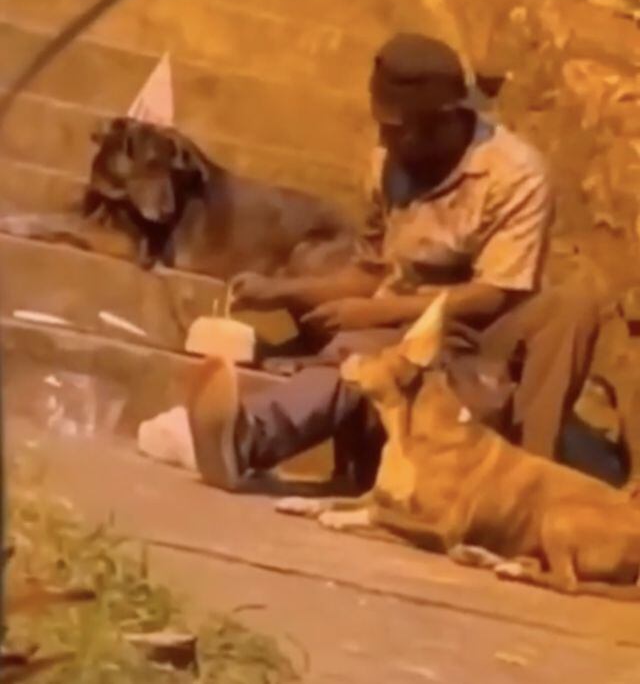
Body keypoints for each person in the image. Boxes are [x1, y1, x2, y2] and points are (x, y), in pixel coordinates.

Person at [188, 33, 603, 493]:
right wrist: (279, 291)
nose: (384, 139)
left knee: (573, 305)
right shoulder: (387, 163)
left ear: (444, 121)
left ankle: (526, 485)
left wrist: (378, 311)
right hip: (403, 332)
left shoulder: (514, 173)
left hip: (483, 336)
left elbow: (496, 294)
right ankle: (242, 437)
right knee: (359, 355)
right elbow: (370, 273)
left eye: (397, 128)